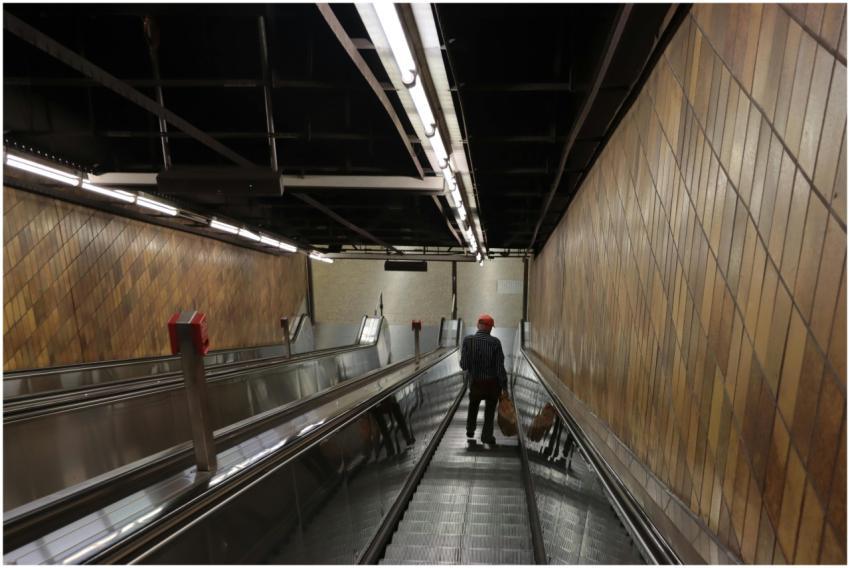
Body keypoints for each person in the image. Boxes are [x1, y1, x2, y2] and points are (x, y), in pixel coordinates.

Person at [460, 313, 508, 445]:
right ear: (490, 328)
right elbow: (500, 367)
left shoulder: (468, 340)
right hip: (493, 385)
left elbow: (463, 365)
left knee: (473, 405)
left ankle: (470, 429)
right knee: (490, 411)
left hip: (476, 383)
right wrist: (504, 386)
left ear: (478, 325)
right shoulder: (495, 343)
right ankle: (487, 437)